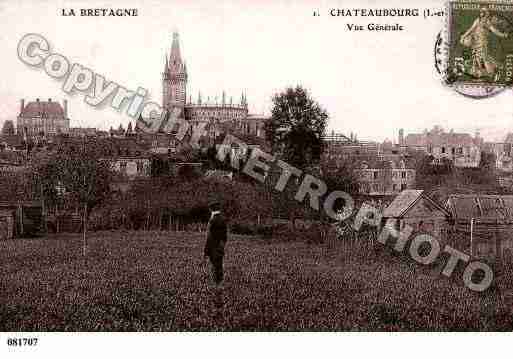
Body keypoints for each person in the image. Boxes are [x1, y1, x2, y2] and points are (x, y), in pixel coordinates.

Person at [460, 7, 508, 78]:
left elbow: (494, 31)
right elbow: (471, 29)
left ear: (486, 13)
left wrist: (503, 35)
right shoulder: (477, 20)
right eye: (481, 12)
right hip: (476, 42)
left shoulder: (487, 22)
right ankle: (481, 72)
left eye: (483, 12)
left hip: (483, 43)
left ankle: (491, 72)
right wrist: (464, 36)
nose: (481, 13)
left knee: (484, 58)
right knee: (477, 58)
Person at [203, 201, 228, 288]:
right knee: (219, 266)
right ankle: (220, 284)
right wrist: (222, 245)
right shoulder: (223, 220)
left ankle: (215, 285)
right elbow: (225, 237)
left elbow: (209, 237)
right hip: (220, 247)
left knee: (214, 266)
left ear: (211, 209)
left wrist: (206, 250)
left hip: (213, 247)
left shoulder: (212, 221)